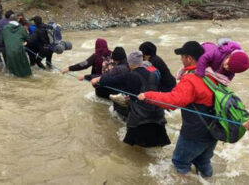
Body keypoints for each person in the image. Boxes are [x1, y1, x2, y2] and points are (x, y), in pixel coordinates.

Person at [138, 41, 218, 178]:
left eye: (182, 56)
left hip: (195, 132)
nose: (180, 59)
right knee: (203, 161)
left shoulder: (191, 79)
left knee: (180, 162)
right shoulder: (211, 74)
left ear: (189, 58)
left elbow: (173, 102)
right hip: (214, 129)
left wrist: (147, 95)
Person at [92, 51, 170, 147]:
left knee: (131, 149)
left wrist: (98, 80)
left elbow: (111, 81)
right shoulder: (153, 75)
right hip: (157, 116)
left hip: (140, 118)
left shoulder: (130, 76)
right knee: (156, 148)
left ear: (130, 63)